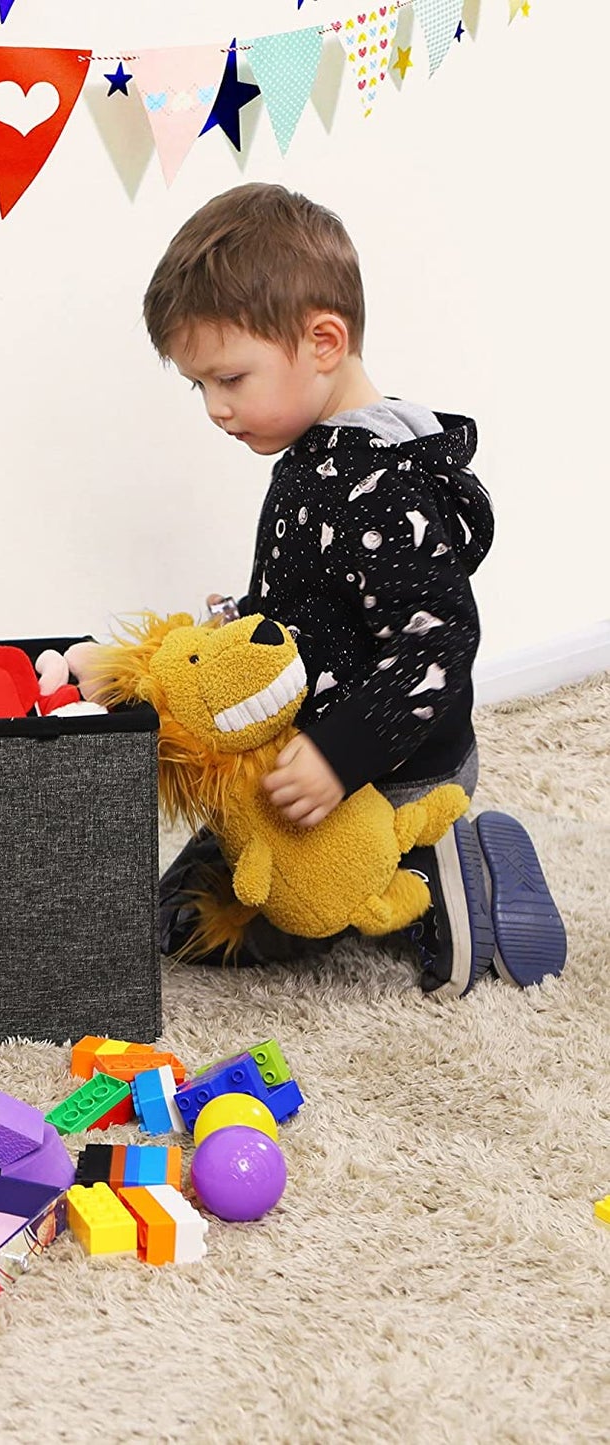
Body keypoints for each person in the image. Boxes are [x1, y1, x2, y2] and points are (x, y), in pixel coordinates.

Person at [141, 182, 565, 997]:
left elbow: (437, 642)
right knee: (182, 920)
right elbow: (319, 602)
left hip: (392, 769)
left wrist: (340, 756)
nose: (215, 409)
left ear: (323, 341)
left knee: (291, 913)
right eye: (199, 387)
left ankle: (433, 864)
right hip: (316, 754)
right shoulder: (315, 456)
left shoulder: (381, 487)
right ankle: (406, 860)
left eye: (229, 378)